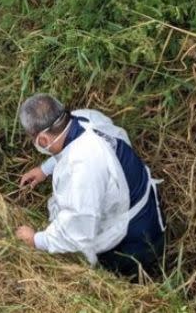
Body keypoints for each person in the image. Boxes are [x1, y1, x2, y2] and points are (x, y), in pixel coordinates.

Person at [14, 94, 166, 279]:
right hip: (144, 205)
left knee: (127, 279)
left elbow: (77, 229)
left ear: (43, 140)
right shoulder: (85, 118)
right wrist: (45, 169)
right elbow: (77, 148)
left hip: (135, 241)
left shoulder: (82, 168)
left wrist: (36, 239)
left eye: (33, 138)